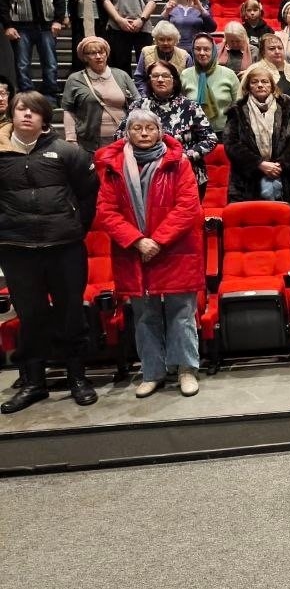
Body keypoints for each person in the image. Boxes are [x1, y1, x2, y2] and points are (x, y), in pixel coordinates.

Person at [0, 93, 100, 413]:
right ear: (12, 114)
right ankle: (34, 383)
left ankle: (77, 378)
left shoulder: (67, 152)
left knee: (71, 313)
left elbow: (89, 193)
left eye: (34, 110)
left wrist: (75, 226)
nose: (27, 114)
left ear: (45, 118)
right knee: (30, 316)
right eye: (21, 109)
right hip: (17, 248)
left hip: (64, 246)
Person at [95, 110, 204, 399]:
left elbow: (188, 207)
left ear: (159, 132)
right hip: (134, 252)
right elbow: (106, 211)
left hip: (176, 248)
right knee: (145, 315)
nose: (144, 133)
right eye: (137, 128)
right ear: (127, 133)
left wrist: (157, 240)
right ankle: (152, 372)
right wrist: (137, 241)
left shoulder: (178, 162)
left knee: (182, 313)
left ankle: (186, 369)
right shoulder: (113, 166)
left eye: (149, 128)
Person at [119, 59, 217, 189]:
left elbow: (210, 139)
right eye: (155, 76)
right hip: (146, 175)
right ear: (149, 80)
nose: (160, 80)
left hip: (186, 174)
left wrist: (186, 156)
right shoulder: (138, 106)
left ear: (174, 80)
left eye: (165, 76)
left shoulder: (191, 107)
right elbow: (120, 135)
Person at [222, 64, 290, 209]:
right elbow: (232, 144)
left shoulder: (288, 106)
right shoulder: (237, 109)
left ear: (272, 86)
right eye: (254, 82)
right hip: (247, 180)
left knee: (284, 220)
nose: (260, 85)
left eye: (264, 81)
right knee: (252, 219)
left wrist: (280, 165)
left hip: (284, 176)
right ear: (248, 87)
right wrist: (259, 164)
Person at [1, 0, 66, 98]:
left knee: (50, 63)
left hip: (46, 26)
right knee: (22, 65)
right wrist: (7, 26)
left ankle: (50, 96)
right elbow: (1, 4)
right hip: (20, 28)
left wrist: (58, 20)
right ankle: (27, 96)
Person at [62, 36, 138, 153]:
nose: (98, 56)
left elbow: (138, 101)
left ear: (106, 54)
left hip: (122, 139)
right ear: (85, 57)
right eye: (92, 53)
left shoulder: (121, 75)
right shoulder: (75, 79)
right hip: (89, 142)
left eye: (101, 52)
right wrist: (71, 138)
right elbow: (68, 110)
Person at [181, 33, 239, 137]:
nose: (202, 53)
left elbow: (239, 105)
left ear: (214, 51)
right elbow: (180, 106)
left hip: (225, 133)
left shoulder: (229, 74)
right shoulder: (185, 75)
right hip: (195, 133)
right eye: (198, 49)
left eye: (206, 49)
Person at [254, 32, 290, 114]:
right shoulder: (255, 71)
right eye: (272, 48)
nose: (277, 51)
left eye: (280, 48)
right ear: (263, 52)